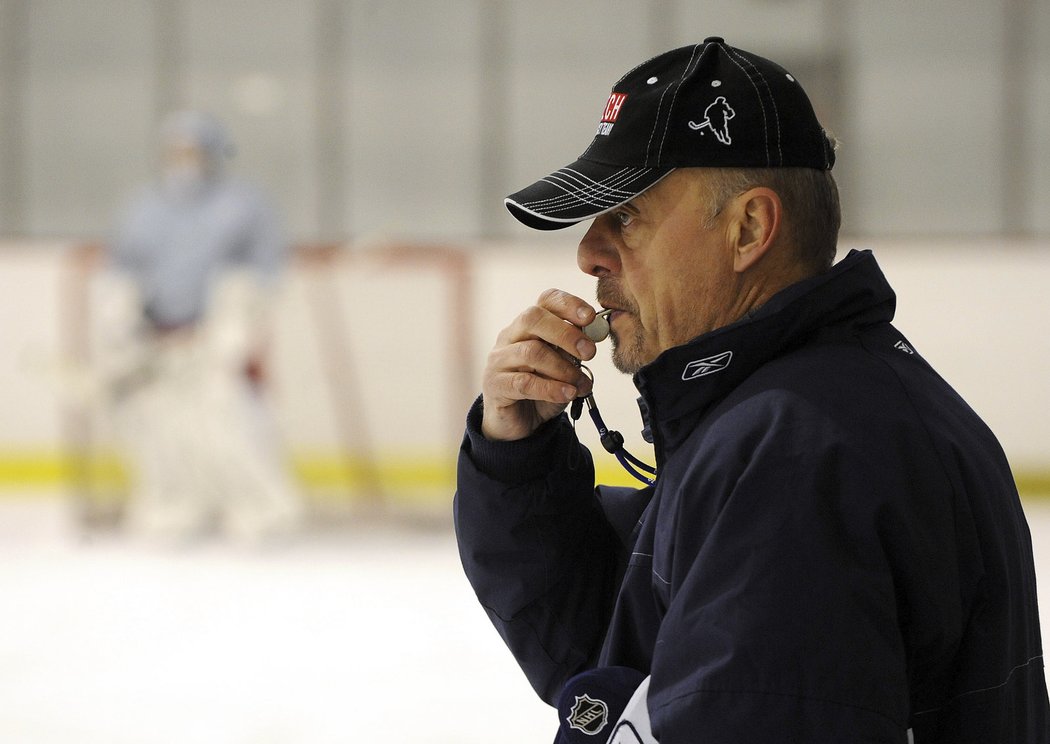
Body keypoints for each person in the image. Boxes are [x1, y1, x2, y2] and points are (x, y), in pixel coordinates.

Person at [454, 39, 1049, 742]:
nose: (588, 252)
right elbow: (627, 636)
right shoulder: (789, 416)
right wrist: (518, 459)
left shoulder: (795, 455)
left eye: (627, 216)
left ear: (749, 229)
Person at [103, 110, 302, 545]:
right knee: (159, 427)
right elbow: (124, 272)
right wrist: (123, 323)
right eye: (176, 151)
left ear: (212, 153)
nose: (184, 160)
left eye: (192, 150)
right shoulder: (145, 207)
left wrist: (235, 326)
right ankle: (174, 505)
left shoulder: (242, 204)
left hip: (215, 337)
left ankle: (262, 508)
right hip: (159, 340)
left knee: (228, 421)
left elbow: (263, 272)